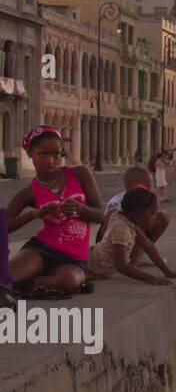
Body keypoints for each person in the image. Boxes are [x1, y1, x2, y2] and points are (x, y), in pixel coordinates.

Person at [6, 126, 104, 297]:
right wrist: (34, 214)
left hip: (74, 257)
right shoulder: (28, 193)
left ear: (61, 154)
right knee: (5, 277)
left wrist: (80, 209)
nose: (50, 160)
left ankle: (23, 286)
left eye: (56, 154)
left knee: (68, 281)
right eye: (42, 154)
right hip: (42, 249)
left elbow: (101, 215)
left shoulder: (80, 174)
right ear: (30, 154)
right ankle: (23, 285)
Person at [87, 188, 176, 286]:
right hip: (89, 266)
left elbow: (149, 246)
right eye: (152, 213)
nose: (154, 218)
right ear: (138, 212)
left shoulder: (129, 222)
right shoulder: (121, 228)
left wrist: (167, 272)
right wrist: (149, 278)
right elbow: (120, 265)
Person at [99, 166, 169, 264]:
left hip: (125, 236)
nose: (148, 190)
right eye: (145, 186)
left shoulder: (137, 199)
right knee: (141, 220)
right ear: (129, 187)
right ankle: (133, 259)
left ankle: (139, 254)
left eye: (150, 187)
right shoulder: (123, 202)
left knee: (162, 217)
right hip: (113, 242)